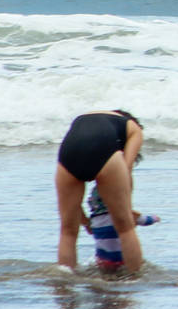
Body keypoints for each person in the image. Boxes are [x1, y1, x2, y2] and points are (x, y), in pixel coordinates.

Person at [55, 110, 145, 273]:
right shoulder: (135, 129)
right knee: (125, 228)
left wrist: (86, 222)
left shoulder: (84, 119)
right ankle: (134, 279)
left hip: (69, 153)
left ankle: (64, 282)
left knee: (68, 231)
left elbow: (74, 207)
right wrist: (126, 209)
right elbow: (127, 168)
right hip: (104, 153)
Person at [86, 179, 160, 272]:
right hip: (123, 260)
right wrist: (155, 218)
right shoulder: (122, 216)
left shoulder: (93, 221)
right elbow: (144, 220)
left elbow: (89, 230)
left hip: (103, 261)